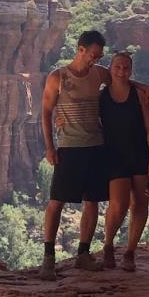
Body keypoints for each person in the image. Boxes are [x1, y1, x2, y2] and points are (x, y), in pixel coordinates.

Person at [39, 29, 110, 279]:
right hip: (69, 147)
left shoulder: (100, 74)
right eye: (93, 55)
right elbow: (46, 112)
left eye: (99, 56)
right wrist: (50, 147)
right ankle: (48, 258)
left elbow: (121, 82)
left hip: (96, 146)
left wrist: (143, 88)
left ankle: (83, 254)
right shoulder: (57, 77)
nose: (96, 60)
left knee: (93, 201)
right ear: (80, 49)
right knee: (56, 201)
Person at [98, 52, 149, 272]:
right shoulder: (102, 96)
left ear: (130, 71)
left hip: (140, 154)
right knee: (119, 204)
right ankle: (107, 245)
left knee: (141, 203)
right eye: (118, 67)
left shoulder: (140, 95)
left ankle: (130, 252)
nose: (122, 72)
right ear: (110, 68)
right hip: (113, 155)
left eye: (126, 68)